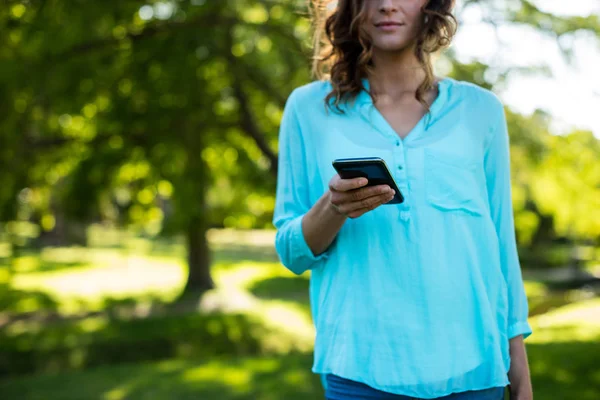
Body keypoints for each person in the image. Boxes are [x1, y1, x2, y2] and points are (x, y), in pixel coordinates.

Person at [272, 0, 533, 399]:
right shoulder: (307, 109)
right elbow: (292, 252)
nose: (388, 5)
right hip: (359, 369)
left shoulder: (481, 111)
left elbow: (501, 246)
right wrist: (333, 207)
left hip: (474, 368)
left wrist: (518, 364)